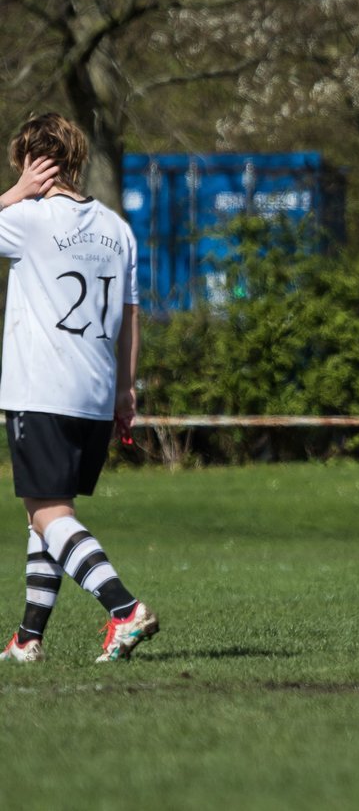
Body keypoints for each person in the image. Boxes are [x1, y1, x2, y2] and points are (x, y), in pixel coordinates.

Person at [0, 112, 159, 663]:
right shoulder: (117, 228)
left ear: (27, 161)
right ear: (78, 160)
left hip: (40, 389)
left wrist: (14, 193)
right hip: (94, 392)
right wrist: (125, 390)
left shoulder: (25, 217)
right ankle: (28, 638)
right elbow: (131, 313)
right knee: (46, 513)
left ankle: (124, 609)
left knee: (48, 512)